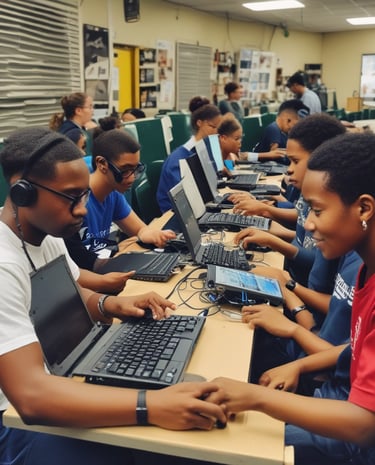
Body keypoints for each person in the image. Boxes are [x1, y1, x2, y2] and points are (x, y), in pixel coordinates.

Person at [0, 127, 228, 465]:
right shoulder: (4, 265)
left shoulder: (47, 236)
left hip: (63, 377)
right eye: (70, 197)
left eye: (83, 197)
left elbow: (74, 290)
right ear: (22, 193)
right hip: (18, 422)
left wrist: (111, 304)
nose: (81, 210)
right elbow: (30, 398)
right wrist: (149, 407)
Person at [208, 131, 375, 465]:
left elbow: (364, 427)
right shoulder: (364, 271)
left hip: (348, 442)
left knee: (216, 440)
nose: (309, 224)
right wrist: (299, 364)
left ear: (364, 208)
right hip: (334, 402)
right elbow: (356, 349)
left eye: (317, 210)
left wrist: (256, 398)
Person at [231, 113, 346, 286]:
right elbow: (304, 237)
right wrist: (270, 219)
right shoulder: (315, 194)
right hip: (295, 276)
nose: (289, 170)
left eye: (295, 161)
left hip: (298, 284)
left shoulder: (333, 206)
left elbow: (315, 257)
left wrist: (287, 287)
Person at [65, 128, 176, 267]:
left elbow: (140, 229)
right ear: (102, 164)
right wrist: (119, 249)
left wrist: (151, 235)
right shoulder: (77, 202)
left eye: (136, 169)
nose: (132, 178)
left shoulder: (113, 194)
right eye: (125, 170)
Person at [157, 98, 222, 213]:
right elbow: (183, 199)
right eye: (213, 127)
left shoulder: (205, 149)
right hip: (176, 214)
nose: (216, 132)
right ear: (199, 123)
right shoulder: (178, 159)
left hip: (200, 207)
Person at [251, 99, 310, 163]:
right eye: (296, 125)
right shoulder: (274, 129)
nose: (297, 129)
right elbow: (274, 155)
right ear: (288, 121)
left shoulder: (282, 132)